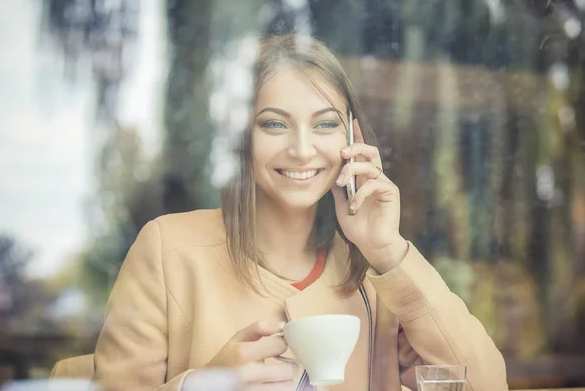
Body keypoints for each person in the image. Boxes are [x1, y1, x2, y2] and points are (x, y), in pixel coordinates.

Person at [92, 34, 508, 391]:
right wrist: (207, 383)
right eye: (274, 124)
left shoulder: (374, 276)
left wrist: (388, 250)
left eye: (325, 125)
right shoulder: (167, 250)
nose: (303, 149)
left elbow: (484, 384)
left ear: (351, 137)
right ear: (241, 138)